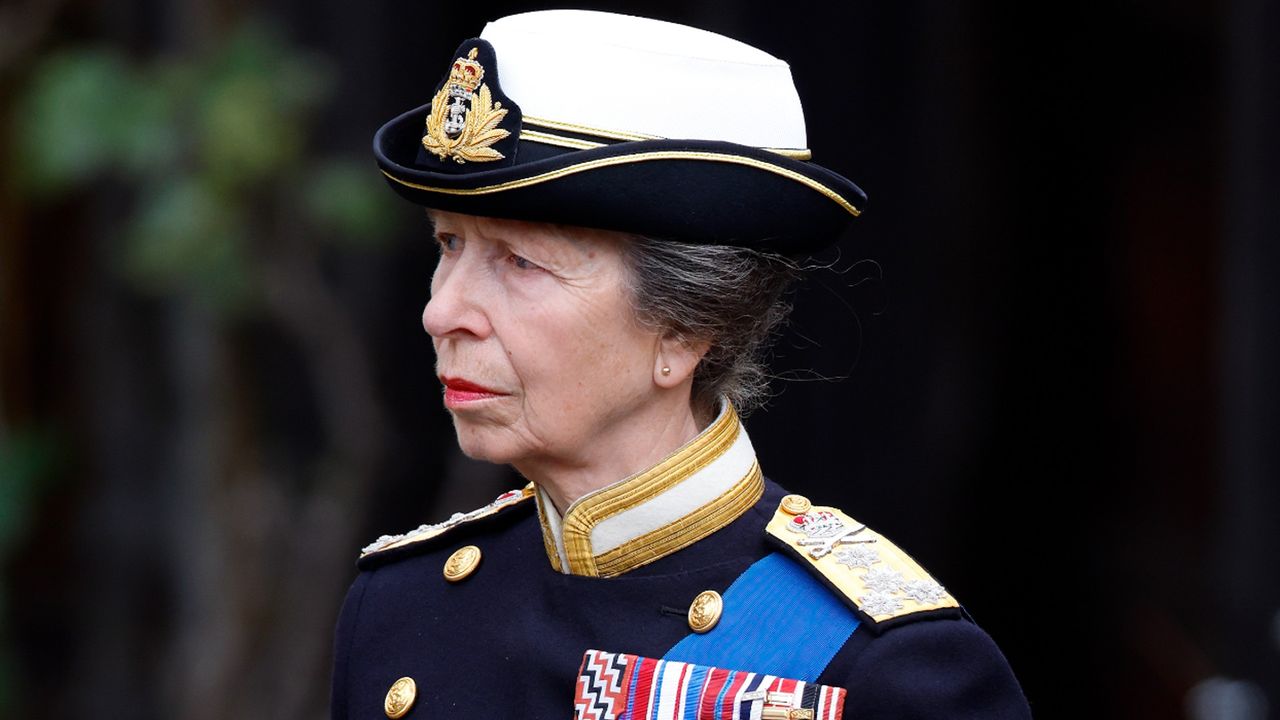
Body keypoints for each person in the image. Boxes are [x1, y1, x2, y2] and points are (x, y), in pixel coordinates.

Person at [331, 9, 1032, 720]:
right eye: (448, 244)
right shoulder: (400, 609)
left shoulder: (882, 668)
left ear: (686, 327)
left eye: (520, 261)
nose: (442, 312)